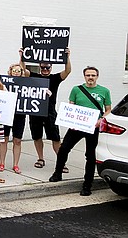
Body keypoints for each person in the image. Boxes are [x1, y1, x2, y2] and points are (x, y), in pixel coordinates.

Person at [49, 66, 111, 196]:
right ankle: (57, 173)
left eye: (93, 75)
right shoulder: (76, 90)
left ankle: (87, 185)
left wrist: (101, 120)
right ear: (84, 76)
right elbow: (71, 106)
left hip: (93, 127)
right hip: (77, 126)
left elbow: (108, 110)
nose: (90, 78)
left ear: (97, 77)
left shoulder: (104, 91)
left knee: (90, 156)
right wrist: (70, 121)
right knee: (64, 148)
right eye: (88, 75)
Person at [20, 48, 71, 169]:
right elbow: (23, 69)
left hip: (50, 112)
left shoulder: (55, 78)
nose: (45, 70)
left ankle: (61, 162)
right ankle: (40, 158)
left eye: (47, 67)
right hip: (35, 112)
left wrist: (67, 57)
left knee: (56, 138)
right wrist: (22, 56)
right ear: (39, 67)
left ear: (51, 68)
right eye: (43, 67)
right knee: (37, 137)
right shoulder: (34, 76)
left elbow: (67, 71)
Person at [1, 63, 27, 174]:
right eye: (14, 71)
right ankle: (1, 163)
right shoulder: (4, 84)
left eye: (18, 71)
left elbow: (37, 93)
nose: (16, 72)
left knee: (17, 140)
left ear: (22, 73)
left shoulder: (27, 85)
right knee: (4, 139)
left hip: (20, 115)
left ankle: (15, 165)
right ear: (10, 72)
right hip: (6, 114)